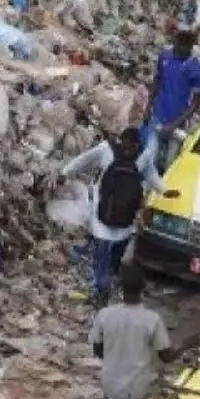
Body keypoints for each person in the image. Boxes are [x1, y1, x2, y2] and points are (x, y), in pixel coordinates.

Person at [90, 265, 199, 399]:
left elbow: (98, 351)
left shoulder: (105, 314)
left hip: (109, 382)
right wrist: (186, 345)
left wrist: (117, 352)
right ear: (143, 289)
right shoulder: (151, 320)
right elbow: (166, 356)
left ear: (121, 288)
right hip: (133, 387)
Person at [60, 127, 161, 306]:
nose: (128, 150)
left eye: (130, 147)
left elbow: (83, 161)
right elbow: (153, 178)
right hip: (121, 220)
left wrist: (65, 173)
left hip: (107, 216)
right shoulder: (141, 154)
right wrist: (165, 191)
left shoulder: (108, 149)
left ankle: (103, 287)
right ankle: (103, 288)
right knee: (106, 257)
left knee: (106, 257)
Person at [143, 30, 200, 173]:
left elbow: (196, 103)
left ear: (190, 47)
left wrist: (173, 125)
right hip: (158, 116)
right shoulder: (165, 56)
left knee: (170, 166)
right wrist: (148, 108)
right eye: (176, 46)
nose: (177, 50)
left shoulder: (197, 69)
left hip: (179, 124)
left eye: (182, 48)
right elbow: (157, 81)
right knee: (150, 160)